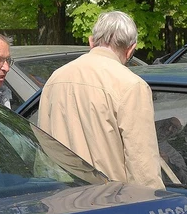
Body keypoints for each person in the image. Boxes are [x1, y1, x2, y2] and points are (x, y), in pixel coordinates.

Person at [38, 11, 166, 190]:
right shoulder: (131, 85)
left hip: (59, 198)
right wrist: (153, 206)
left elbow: (43, 145)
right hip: (108, 203)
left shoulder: (56, 78)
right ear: (131, 49)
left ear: (91, 42)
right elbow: (142, 166)